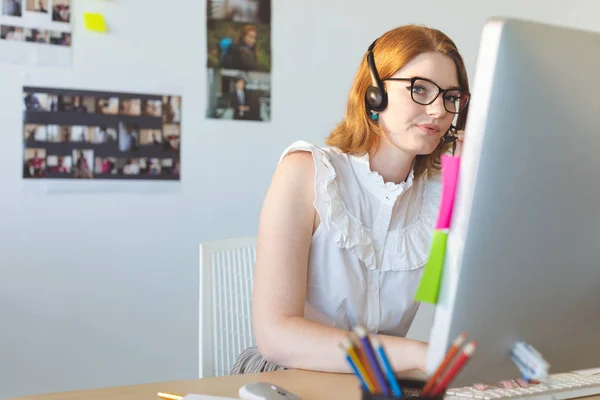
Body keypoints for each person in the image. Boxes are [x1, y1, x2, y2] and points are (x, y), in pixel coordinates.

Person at [230, 25, 471, 375]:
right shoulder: (306, 172)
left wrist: (473, 181)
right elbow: (275, 335)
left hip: (379, 380)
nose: (438, 110)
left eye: (451, 97)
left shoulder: (442, 192)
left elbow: (441, 294)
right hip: (291, 375)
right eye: (420, 89)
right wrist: (420, 355)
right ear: (374, 93)